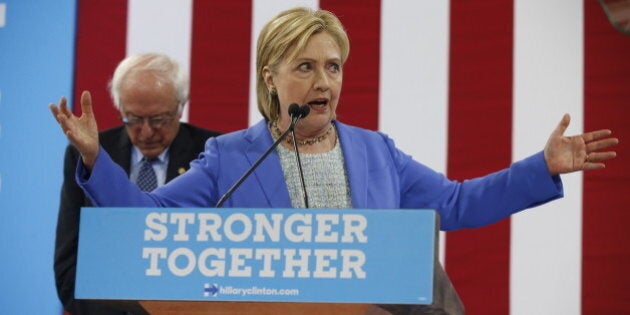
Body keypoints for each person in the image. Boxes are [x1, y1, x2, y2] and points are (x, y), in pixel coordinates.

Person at [50, 7, 618, 234]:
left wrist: (540, 166)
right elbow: (151, 220)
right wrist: (97, 158)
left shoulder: (378, 153)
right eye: (305, 67)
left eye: (333, 66)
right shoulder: (231, 159)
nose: (324, 82)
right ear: (270, 76)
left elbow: (458, 203)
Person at [53, 53, 221, 315]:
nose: (146, 132)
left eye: (158, 120)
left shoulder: (213, 154)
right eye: (133, 119)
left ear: (180, 107)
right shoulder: (89, 154)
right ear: (120, 108)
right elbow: (69, 263)